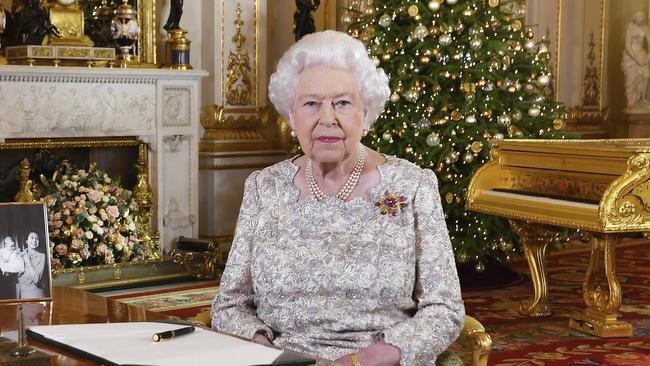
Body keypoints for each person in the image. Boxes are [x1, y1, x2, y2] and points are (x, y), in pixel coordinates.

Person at [212, 30, 464, 365]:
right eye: (311, 103)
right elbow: (230, 304)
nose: (327, 118)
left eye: (342, 103)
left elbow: (444, 308)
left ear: (365, 111)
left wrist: (362, 360)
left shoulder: (413, 186)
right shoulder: (263, 187)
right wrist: (268, 352)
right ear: (292, 115)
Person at [622, 11, 650, 110]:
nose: (641, 18)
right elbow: (627, 46)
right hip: (631, 57)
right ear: (635, 18)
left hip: (642, 54)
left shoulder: (646, 29)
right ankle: (631, 102)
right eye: (639, 17)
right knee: (631, 79)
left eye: (642, 17)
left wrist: (648, 56)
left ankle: (642, 99)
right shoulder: (630, 30)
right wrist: (637, 59)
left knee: (646, 76)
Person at [17, 232, 46, 299]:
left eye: (37, 239)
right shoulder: (19, 256)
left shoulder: (41, 256)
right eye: (32, 238)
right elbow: (17, 283)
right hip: (23, 297)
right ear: (26, 241)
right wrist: (17, 301)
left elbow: (36, 280)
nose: (34, 241)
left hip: (36, 296)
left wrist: (28, 262)